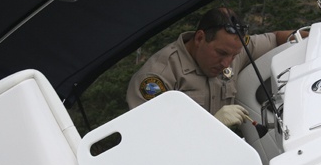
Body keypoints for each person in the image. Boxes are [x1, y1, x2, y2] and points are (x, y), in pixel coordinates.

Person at [126, 7, 305, 127]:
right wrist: (211, 123)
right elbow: (152, 135)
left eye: (234, 56)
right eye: (221, 53)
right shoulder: (159, 75)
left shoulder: (235, 47)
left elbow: (277, 38)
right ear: (199, 38)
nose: (227, 63)